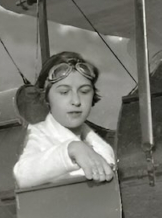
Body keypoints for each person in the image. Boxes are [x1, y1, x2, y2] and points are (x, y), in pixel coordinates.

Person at [13, 52, 115, 188]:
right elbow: (23, 174)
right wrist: (71, 150)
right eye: (64, 92)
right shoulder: (36, 134)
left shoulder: (102, 144)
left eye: (84, 91)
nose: (76, 101)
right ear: (46, 97)